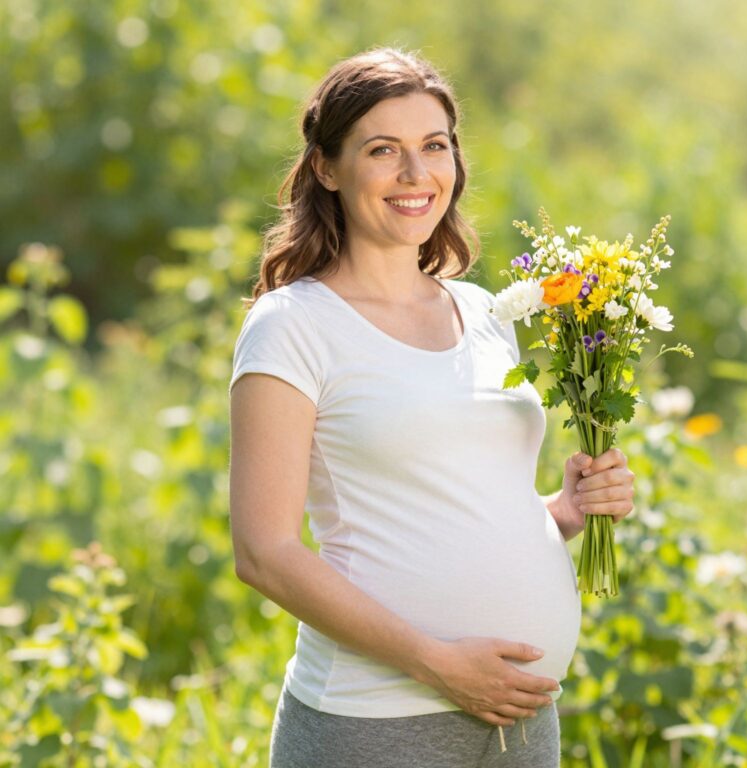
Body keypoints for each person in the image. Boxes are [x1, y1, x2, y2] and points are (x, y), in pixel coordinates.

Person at [228, 47, 635, 767]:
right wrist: (436, 663)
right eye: (384, 150)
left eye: (434, 146)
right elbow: (265, 553)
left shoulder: (484, 310)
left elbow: (445, 510)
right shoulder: (294, 325)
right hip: (378, 724)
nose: (417, 175)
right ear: (326, 167)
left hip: (522, 719)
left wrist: (560, 514)